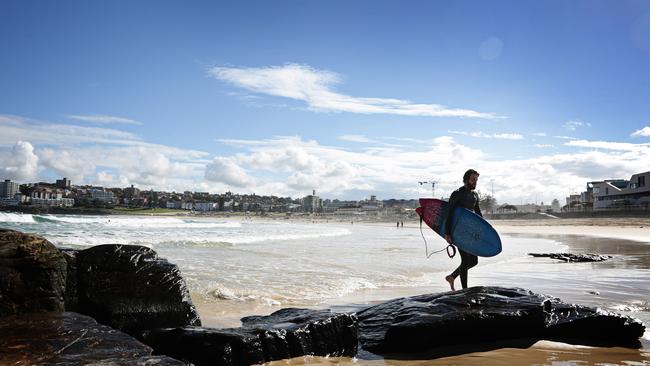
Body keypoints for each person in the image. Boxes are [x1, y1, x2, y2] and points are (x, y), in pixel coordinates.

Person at [444, 169, 482, 291]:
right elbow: (449, 213)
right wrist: (447, 233)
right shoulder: (457, 193)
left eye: (476, 180)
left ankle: (452, 276)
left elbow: (478, 213)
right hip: (458, 231)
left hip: (470, 231)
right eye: (473, 179)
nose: (475, 182)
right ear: (466, 179)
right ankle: (465, 290)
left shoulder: (474, 195)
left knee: (474, 261)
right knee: (465, 260)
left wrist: (484, 229)